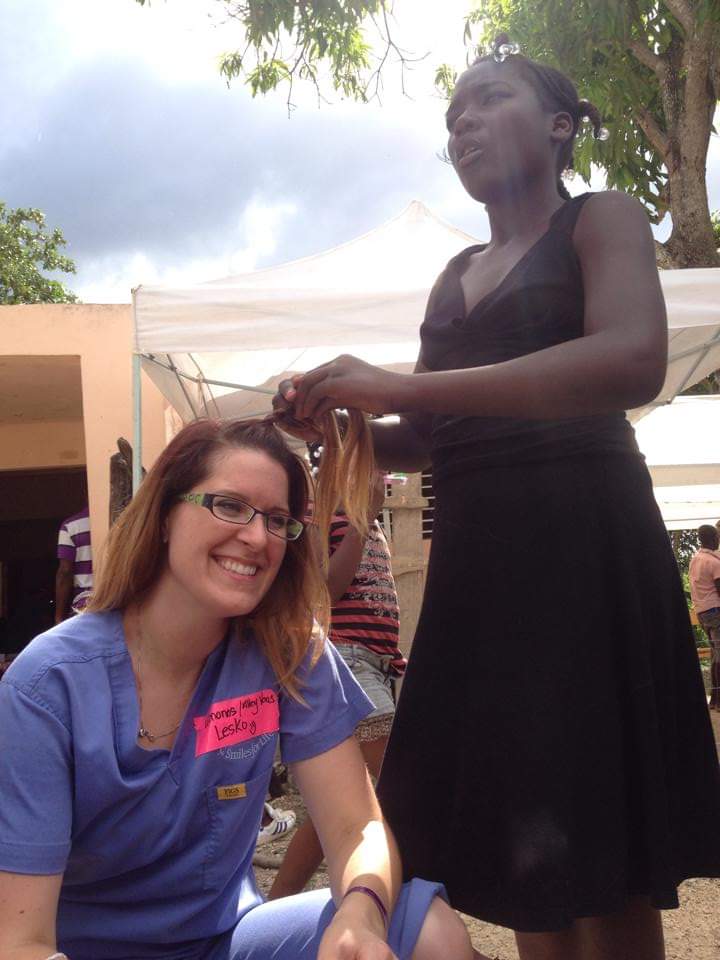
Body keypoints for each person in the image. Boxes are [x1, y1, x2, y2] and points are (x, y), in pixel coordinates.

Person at [273, 34, 720, 960]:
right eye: (451, 118)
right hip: (482, 569)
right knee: (523, 834)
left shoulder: (603, 221)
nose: (463, 123)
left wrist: (399, 386)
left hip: (585, 545)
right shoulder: (452, 280)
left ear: (560, 127)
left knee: (602, 825)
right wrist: (343, 427)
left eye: (488, 99)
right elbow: (432, 435)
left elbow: (630, 359)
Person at [0, 418, 476, 960]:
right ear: (162, 516)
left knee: (433, 934)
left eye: (278, 520)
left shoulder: (287, 650)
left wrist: (361, 911)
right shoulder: (46, 686)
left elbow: (356, 825)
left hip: (227, 941)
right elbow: (21, 942)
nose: (257, 538)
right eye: (228, 505)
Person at [269, 471, 405, 899]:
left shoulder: (368, 518)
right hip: (346, 660)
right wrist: (362, 520)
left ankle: (281, 900)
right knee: (396, 784)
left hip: (372, 664)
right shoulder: (320, 511)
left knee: (355, 797)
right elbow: (323, 590)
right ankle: (390, 894)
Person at [688, 524, 720, 710]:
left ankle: (715, 699)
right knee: (719, 656)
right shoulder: (714, 563)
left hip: (702, 612)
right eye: (717, 537)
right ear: (712, 538)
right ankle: (717, 699)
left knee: (716, 653)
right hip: (716, 611)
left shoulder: (696, 560)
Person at [55, 504, 93, 621]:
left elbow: (65, 572)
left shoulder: (70, 526)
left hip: (85, 606)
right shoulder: (123, 522)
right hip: (118, 601)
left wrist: (59, 618)